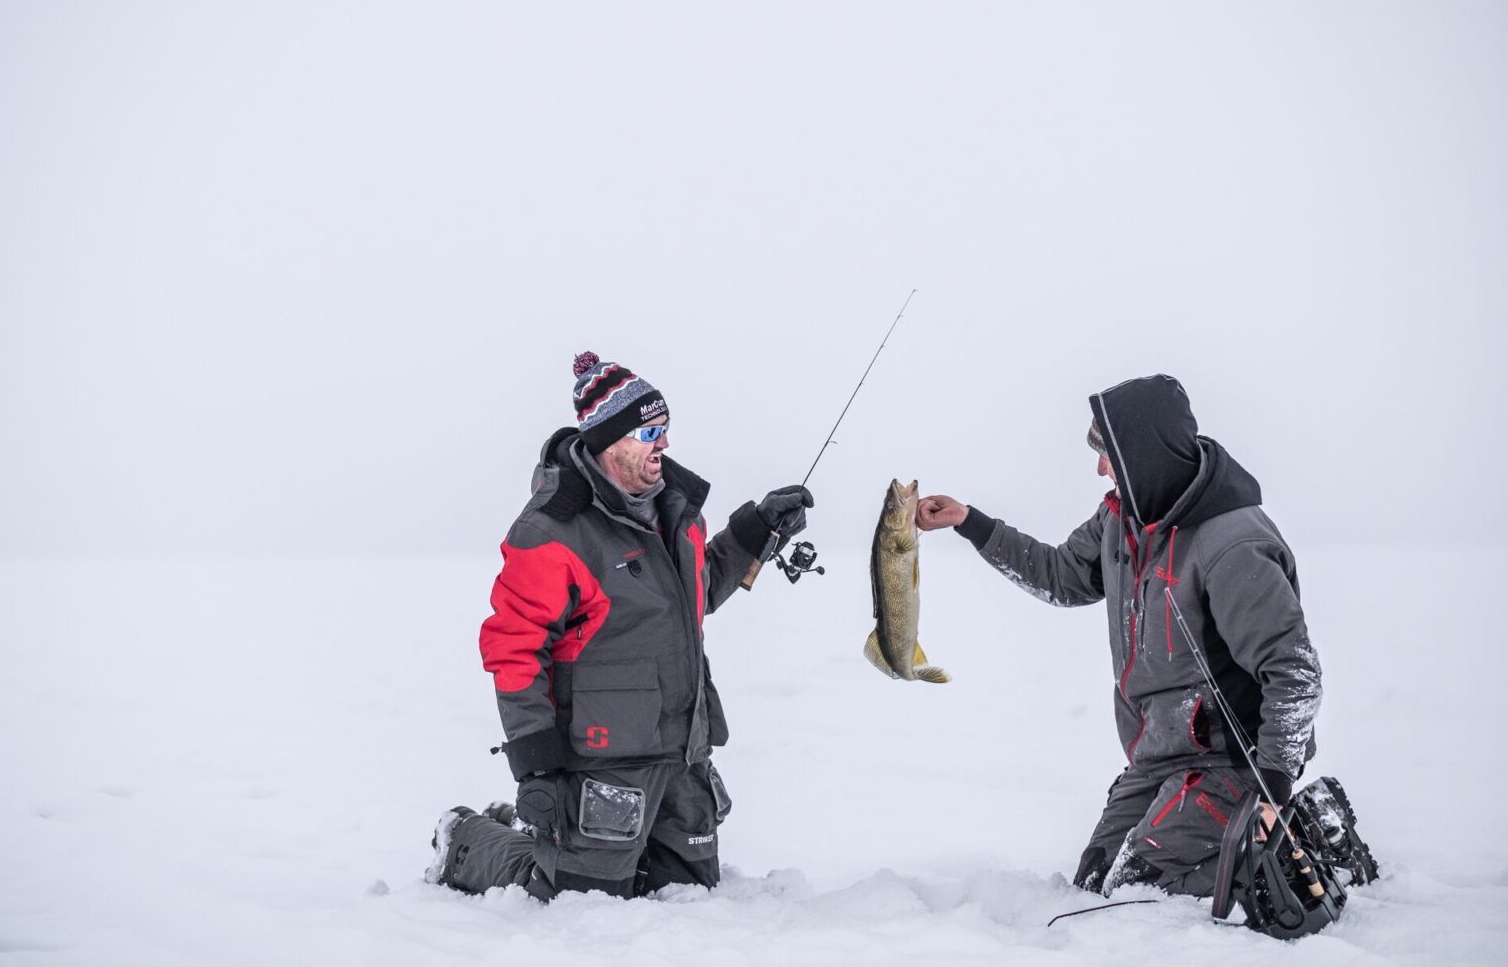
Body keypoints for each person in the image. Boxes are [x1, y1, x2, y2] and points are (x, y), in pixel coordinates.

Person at [917, 374, 1375, 897]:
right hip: (1159, 757)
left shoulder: (1233, 543)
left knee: (1139, 889)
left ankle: (1309, 842)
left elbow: (1294, 674)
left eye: (1107, 453)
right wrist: (969, 522)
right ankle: (1231, 844)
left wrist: (1272, 786)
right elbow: (1062, 576)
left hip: (1234, 761)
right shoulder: (1123, 521)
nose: (1100, 468)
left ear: (1143, 452)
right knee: (1094, 883)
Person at [425, 351, 813, 900]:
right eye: (650, 431)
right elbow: (514, 646)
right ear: (611, 441)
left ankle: (568, 841)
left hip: (683, 749)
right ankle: (467, 838)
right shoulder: (551, 531)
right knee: (578, 897)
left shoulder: (678, 512)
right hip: (605, 756)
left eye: (666, 429)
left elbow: (693, 598)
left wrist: (756, 531)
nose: (665, 444)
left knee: (686, 893)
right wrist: (535, 763)